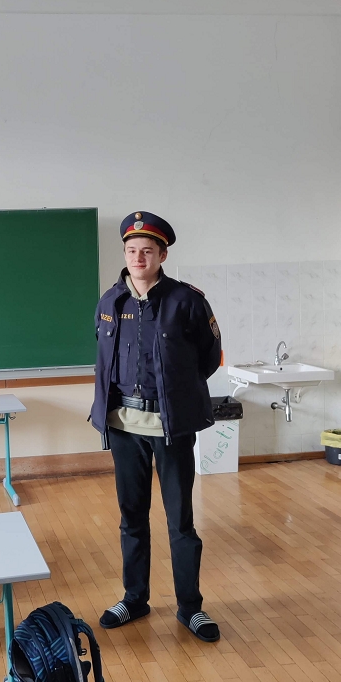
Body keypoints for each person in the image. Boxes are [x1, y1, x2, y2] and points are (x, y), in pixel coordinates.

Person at [90, 212, 222, 643]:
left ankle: (190, 608)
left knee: (180, 521)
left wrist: (175, 398)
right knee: (132, 517)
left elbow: (208, 358)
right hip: (124, 426)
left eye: (147, 251)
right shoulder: (110, 301)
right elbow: (104, 360)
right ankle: (135, 598)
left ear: (162, 255)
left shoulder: (187, 301)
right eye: (131, 250)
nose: (138, 258)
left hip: (171, 427)